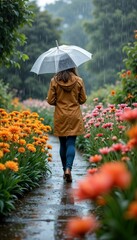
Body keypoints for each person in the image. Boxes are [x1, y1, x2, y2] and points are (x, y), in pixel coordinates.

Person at [47, 67, 87, 182]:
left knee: (63, 144)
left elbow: (50, 100)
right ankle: (69, 169)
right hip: (74, 115)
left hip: (61, 115)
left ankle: (65, 169)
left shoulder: (54, 81)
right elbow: (83, 99)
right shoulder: (79, 80)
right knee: (71, 143)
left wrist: (58, 100)